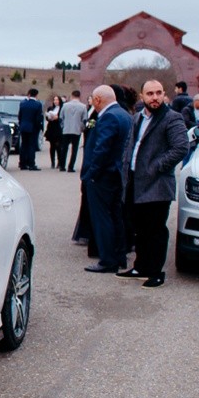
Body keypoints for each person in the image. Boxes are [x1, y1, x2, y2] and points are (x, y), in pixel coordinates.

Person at [118, 80, 189, 288]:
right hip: (135, 181)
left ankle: (156, 272)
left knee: (155, 230)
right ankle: (140, 267)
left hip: (157, 184)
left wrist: (156, 166)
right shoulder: (137, 117)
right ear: (142, 96)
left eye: (158, 93)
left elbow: (180, 148)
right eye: (150, 94)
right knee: (139, 228)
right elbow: (131, 144)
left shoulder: (172, 118)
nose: (155, 97)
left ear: (164, 94)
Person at [80, 85, 130, 272]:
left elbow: (101, 149)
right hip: (116, 174)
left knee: (102, 218)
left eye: (93, 100)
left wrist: (91, 174)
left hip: (103, 175)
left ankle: (107, 260)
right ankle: (119, 256)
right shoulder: (124, 115)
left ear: (98, 100)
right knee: (116, 216)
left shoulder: (108, 116)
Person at [59, 89, 88, 172]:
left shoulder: (65, 105)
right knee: (74, 149)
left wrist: (62, 126)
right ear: (79, 96)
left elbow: (61, 117)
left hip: (66, 129)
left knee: (64, 148)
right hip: (76, 130)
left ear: (71, 96)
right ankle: (71, 167)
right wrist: (82, 128)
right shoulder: (83, 106)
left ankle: (62, 166)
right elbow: (85, 119)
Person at [17, 88, 44, 170]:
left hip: (23, 127)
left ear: (29, 94)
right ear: (36, 95)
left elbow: (20, 115)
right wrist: (39, 127)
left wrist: (21, 124)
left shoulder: (23, 103)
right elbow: (38, 118)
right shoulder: (38, 104)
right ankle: (31, 164)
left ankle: (22, 164)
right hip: (33, 128)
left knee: (24, 145)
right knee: (32, 146)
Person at [44, 94, 64, 170]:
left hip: (58, 129)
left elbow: (62, 118)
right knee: (52, 146)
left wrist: (57, 118)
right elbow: (47, 117)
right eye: (54, 100)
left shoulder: (62, 108)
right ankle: (52, 162)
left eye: (57, 100)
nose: (55, 101)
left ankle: (59, 162)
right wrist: (49, 117)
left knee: (58, 146)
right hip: (51, 128)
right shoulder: (51, 108)